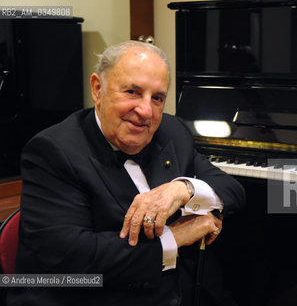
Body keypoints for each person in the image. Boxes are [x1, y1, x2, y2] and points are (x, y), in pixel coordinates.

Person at [7, 41, 245, 306]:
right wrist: (175, 237)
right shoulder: (52, 151)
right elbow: (73, 260)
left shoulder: (171, 130)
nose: (146, 112)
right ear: (98, 89)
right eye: (132, 92)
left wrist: (182, 189)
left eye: (157, 98)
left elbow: (231, 188)